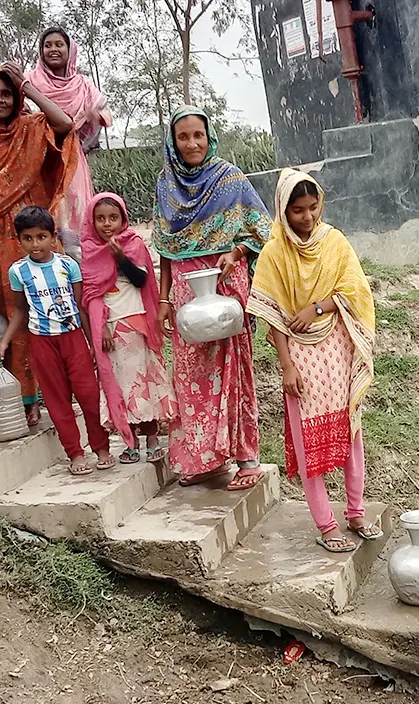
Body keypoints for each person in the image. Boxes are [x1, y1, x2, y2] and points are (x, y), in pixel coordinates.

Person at [248, 170, 379, 552]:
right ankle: (326, 525)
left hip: (337, 347)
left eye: (313, 207)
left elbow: (354, 289)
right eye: (298, 210)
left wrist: (317, 307)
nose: (307, 218)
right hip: (300, 358)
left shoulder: (334, 242)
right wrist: (286, 366)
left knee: (350, 430)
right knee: (309, 441)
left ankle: (356, 512)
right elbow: (273, 316)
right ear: (283, 210)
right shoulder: (274, 253)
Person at [153, 105, 271, 488]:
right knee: (191, 374)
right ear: (173, 142)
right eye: (183, 137)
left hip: (226, 279)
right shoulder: (165, 185)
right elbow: (167, 249)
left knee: (234, 370)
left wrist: (235, 253)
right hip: (186, 287)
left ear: (209, 137)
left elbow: (261, 231)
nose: (192, 143)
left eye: (198, 135)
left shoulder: (230, 179)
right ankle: (205, 458)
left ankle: (246, 458)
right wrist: (164, 300)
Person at [0, 64, 78, 426]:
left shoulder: (29, 130)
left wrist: (29, 87)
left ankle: (35, 396)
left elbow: (65, 124)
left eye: (7, 93)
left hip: (31, 242)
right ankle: (2, 395)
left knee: (35, 314)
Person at [0, 206, 113, 475]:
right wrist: (4, 342)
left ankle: (101, 448)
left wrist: (92, 343)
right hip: (42, 342)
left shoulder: (68, 265)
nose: (35, 244)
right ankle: (75, 454)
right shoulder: (18, 271)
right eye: (28, 238)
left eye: (42, 236)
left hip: (73, 339)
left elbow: (81, 306)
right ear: (19, 239)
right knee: (57, 401)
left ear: (53, 237)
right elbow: (21, 309)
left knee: (89, 396)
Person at [81, 192, 173, 464]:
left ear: (123, 219)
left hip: (137, 324)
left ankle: (153, 439)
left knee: (144, 382)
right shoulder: (89, 251)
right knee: (119, 385)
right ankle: (129, 441)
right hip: (110, 330)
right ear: (91, 221)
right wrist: (103, 330)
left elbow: (141, 280)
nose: (107, 224)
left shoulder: (133, 244)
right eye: (100, 219)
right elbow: (90, 297)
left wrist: (121, 258)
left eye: (113, 218)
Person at [28, 27, 111, 249]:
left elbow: (103, 114)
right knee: (39, 211)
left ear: (70, 50)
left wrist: (92, 114)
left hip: (72, 159)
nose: (53, 49)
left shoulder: (83, 85)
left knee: (74, 209)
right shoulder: (29, 83)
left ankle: (77, 269)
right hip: (38, 157)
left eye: (59, 44)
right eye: (48, 45)